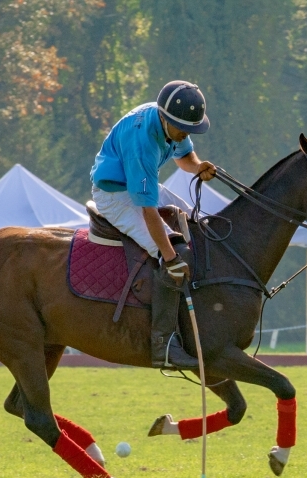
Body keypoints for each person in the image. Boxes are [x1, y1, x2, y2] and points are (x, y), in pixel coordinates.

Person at [90, 80, 216, 369]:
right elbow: (147, 209)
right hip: (115, 195)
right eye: (183, 129)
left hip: (140, 185)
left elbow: (185, 156)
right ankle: (164, 344)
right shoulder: (142, 144)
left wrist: (198, 166)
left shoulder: (172, 121)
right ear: (164, 118)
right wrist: (170, 257)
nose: (185, 134)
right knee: (172, 253)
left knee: (198, 224)